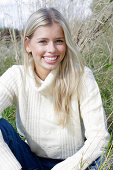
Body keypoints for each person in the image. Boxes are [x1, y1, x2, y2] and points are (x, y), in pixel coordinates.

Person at [0, 7, 110, 170]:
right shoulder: (16, 76)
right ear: (28, 44)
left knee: (108, 161)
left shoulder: (82, 76)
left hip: (76, 162)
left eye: (59, 41)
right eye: (43, 41)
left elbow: (99, 138)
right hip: (30, 160)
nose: (52, 49)